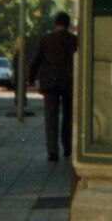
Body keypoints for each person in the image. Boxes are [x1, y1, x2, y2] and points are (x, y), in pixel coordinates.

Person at [30, 11, 78, 162]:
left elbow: (36, 60)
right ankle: (68, 148)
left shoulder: (45, 39)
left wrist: (30, 78)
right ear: (68, 24)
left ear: (55, 23)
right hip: (69, 83)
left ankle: (52, 151)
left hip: (50, 83)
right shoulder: (74, 40)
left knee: (51, 117)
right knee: (68, 116)